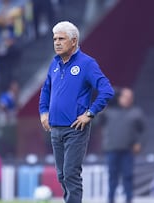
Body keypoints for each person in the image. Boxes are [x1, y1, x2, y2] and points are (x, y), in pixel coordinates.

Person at [39, 21, 114, 203]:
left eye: (61, 38)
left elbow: (107, 90)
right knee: (62, 175)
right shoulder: (54, 63)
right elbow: (46, 89)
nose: (56, 42)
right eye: (55, 38)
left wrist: (90, 113)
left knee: (71, 174)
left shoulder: (87, 63)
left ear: (73, 41)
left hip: (75, 128)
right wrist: (43, 111)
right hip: (55, 128)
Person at [100, 87, 144, 203]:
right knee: (112, 177)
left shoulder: (136, 113)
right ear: (119, 97)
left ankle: (129, 200)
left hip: (128, 150)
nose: (128, 99)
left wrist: (139, 143)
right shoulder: (108, 111)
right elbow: (97, 123)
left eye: (130, 97)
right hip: (112, 149)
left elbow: (142, 131)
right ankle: (111, 199)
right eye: (126, 97)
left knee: (128, 176)